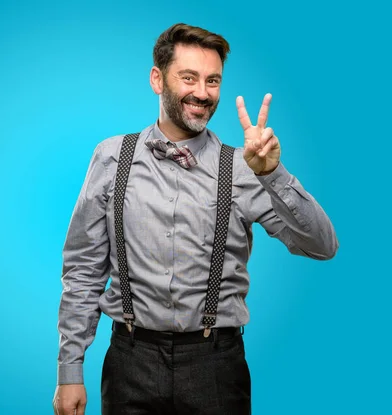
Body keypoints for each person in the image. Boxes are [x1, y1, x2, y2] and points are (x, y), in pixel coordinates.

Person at [52, 23, 338, 415]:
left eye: (213, 81)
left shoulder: (243, 167)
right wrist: (70, 371)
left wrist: (273, 174)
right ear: (158, 79)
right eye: (189, 78)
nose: (202, 93)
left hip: (216, 366)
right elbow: (83, 271)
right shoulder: (111, 157)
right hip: (129, 363)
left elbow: (322, 246)